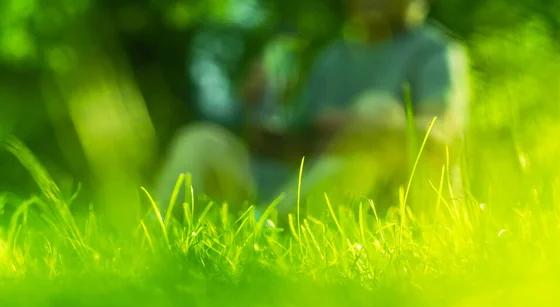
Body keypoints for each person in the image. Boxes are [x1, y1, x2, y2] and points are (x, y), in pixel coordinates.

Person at [153, 0, 470, 221]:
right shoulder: (332, 59)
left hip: (386, 206)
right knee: (200, 139)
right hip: (309, 194)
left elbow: (443, 135)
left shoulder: (436, 51)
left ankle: (266, 225)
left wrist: (366, 126)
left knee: (376, 109)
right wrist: (259, 110)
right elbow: (296, 149)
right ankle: (153, 243)